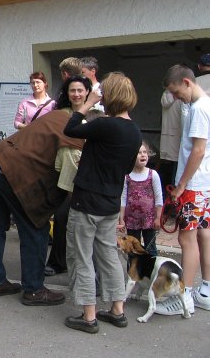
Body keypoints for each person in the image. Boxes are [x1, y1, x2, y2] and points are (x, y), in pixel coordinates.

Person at [63, 72, 141, 334]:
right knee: (108, 255)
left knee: (83, 256)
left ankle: (88, 316)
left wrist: (87, 103)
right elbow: (128, 168)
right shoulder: (135, 132)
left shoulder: (105, 125)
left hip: (87, 201)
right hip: (110, 202)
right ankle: (117, 310)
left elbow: (71, 128)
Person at [0, 110, 83, 306]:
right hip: (14, 172)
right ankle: (34, 290)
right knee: (36, 227)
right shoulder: (75, 140)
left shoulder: (62, 116)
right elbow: (67, 186)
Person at [158, 64, 210, 315]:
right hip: (203, 184)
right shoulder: (202, 104)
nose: (177, 98)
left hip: (193, 185)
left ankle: (184, 296)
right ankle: (206, 290)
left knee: (186, 240)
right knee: (203, 235)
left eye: (177, 92)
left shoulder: (199, 109)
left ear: (188, 83)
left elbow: (198, 150)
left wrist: (181, 185)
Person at [45, 75, 92, 277]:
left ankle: (87, 268)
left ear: (88, 92)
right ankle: (57, 262)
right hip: (62, 173)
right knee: (62, 218)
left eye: (80, 90)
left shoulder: (96, 114)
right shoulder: (60, 114)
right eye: (72, 90)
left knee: (86, 225)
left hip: (88, 175)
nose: (76, 94)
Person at [118, 141, 163, 258]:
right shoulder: (127, 176)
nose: (143, 155)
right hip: (132, 220)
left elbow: (159, 198)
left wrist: (158, 218)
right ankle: (133, 275)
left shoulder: (153, 174)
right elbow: (123, 198)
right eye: (139, 153)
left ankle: (152, 273)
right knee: (132, 249)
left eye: (145, 152)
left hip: (149, 219)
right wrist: (121, 219)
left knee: (151, 248)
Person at [159, 89, 182, 191]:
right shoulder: (182, 96)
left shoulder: (167, 94)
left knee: (174, 170)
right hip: (181, 140)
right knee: (177, 171)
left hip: (171, 140)